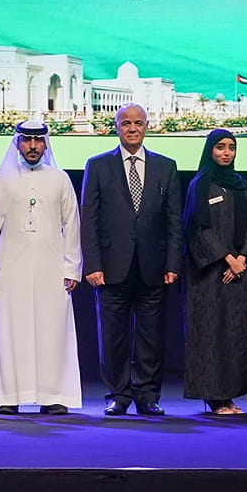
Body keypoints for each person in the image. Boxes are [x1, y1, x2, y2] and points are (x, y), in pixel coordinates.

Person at [80, 104, 184, 417]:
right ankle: (118, 395)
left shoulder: (166, 166)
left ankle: (148, 396)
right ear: (116, 127)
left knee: (151, 336)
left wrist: (172, 264)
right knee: (113, 335)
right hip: (111, 267)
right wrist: (93, 264)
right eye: (126, 123)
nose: (132, 128)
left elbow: (174, 220)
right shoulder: (98, 166)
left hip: (153, 266)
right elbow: (89, 220)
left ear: (147, 126)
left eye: (138, 123)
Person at [0, 119, 82, 415]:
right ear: (17, 143)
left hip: (51, 271)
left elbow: (71, 225)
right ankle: (9, 395)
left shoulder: (60, 179)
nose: (33, 147)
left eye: (38, 141)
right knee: (11, 330)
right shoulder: (4, 179)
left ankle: (53, 395)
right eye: (27, 141)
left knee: (52, 331)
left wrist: (72, 268)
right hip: (11, 270)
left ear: (46, 143)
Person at [182, 129, 247, 415]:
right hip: (209, 275)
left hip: (238, 272)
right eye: (220, 147)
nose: (226, 152)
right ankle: (214, 397)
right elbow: (196, 228)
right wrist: (226, 259)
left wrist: (241, 259)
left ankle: (230, 395)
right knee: (211, 333)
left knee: (235, 333)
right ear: (210, 151)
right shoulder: (200, 184)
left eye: (231, 147)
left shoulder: (241, 184)